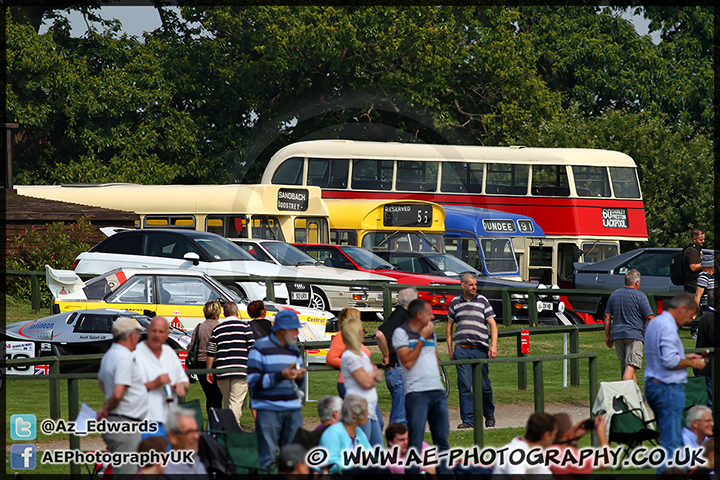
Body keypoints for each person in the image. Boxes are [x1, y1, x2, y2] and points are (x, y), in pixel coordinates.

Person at [644, 293, 706, 455]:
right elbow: (670, 362)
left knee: (668, 440)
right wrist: (692, 363)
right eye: (690, 315)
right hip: (668, 388)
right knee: (672, 444)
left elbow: (661, 357)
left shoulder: (656, 322)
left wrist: (685, 357)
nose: (690, 320)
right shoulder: (668, 327)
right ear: (681, 309)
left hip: (655, 384)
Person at [393, 298, 450, 474]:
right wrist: (422, 339)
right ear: (419, 315)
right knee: (415, 441)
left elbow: (434, 358)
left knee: (442, 441)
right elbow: (408, 362)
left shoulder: (430, 332)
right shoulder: (400, 333)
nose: (433, 316)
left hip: (437, 392)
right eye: (429, 313)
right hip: (417, 394)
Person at [247, 309, 307, 470]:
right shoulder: (259, 348)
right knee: (268, 457)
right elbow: (253, 381)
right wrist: (280, 375)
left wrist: (299, 377)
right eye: (294, 329)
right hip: (268, 410)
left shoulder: (294, 350)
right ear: (282, 330)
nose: (297, 333)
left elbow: (296, 385)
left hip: (293, 410)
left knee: (295, 458)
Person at [96, 317, 149, 476]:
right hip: (125, 423)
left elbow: (102, 383)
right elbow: (119, 392)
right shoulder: (125, 357)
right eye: (138, 334)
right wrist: (106, 408)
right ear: (131, 335)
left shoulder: (110, 355)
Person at [446, 272, 497, 429]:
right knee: (464, 384)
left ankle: (489, 414)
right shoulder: (455, 302)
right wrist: (450, 350)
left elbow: (492, 324)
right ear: (463, 285)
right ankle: (468, 420)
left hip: (479, 349)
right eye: (471, 284)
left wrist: (493, 345)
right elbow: (449, 328)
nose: (474, 287)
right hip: (461, 349)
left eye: (475, 284)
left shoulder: (483, 301)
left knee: (484, 385)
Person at [135, 316, 190, 436]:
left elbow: (184, 381)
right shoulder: (136, 354)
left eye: (161, 332)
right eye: (154, 331)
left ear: (167, 334)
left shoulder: (169, 353)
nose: (157, 335)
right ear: (148, 331)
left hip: (169, 421)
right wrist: (155, 383)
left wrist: (181, 385)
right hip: (145, 420)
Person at [206, 301, 255, 428]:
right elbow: (253, 348)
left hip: (222, 370)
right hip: (240, 369)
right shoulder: (245, 327)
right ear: (237, 312)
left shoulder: (217, 329)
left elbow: (211, 351)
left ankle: (227, 428)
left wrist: (209, 370)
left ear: (223, 313)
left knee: (227, 403)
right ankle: (233, 429)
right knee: (236, 402)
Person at [340, 313, 384, 446]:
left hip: (369, 406)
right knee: (363, 449)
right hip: (358, 408)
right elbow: (366, 382)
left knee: (377, 448)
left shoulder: (362, 355)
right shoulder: (349, 356)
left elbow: (378, 375)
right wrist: (372, 375)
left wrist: (372, 375)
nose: (364, 333)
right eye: (362, 331)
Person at [603, 269, 655, 382]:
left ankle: (635, 397)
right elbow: (650, 317)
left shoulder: (614, 295)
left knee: (628, 366)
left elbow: (607, 316)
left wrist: (608, 335)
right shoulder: (640, 296)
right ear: (637, 283)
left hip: (617, 335)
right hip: (634, 335)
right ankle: (625, 395)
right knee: (631, 366)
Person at [376, 287, 417, 425]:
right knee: (400, 418)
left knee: (406, 414)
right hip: (398, 370)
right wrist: (386, 355)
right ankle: (397, 444)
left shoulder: (403, 315)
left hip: (400, 370)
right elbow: (380, 334)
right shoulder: (400, 315)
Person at [318, 394, 372, 474]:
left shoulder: (358, 431)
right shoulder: (333, 432)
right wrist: (354, 462)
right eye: (365, 411)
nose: (368, 414)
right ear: (354, 414)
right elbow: (330, 465)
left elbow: (371, 454)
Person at [492, 412, 558, 477]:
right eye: (554, 434)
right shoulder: (516, 452)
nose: (554, 438)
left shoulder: (535, 452)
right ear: (547, 435)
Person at [188, 301, 223, 418]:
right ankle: (216, 422)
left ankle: (212, 419)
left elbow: (191, 346)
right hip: (216, 364)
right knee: (217, 396)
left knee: (209, 395)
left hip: (200, 363)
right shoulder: (220, 327)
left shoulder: (199, 327)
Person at [163, 407, 209, 478]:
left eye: (196, 431)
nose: (196, 436)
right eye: (189, 432)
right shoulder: (166, 471)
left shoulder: (198, 463)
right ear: (173, 437)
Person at [694, 290, 715, 407]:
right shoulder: (710, 318)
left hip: (707, 368)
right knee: (710, 404)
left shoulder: (708, 316)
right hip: (707, 369)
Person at [682, 229, 705, 294]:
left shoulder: (697, 250)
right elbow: (693, 267)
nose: (703, 241)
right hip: (692, 285)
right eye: (701, 240)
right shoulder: (691, 250)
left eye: (703, 239)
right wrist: (706, 264)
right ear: (694, 239)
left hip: (697, 283)